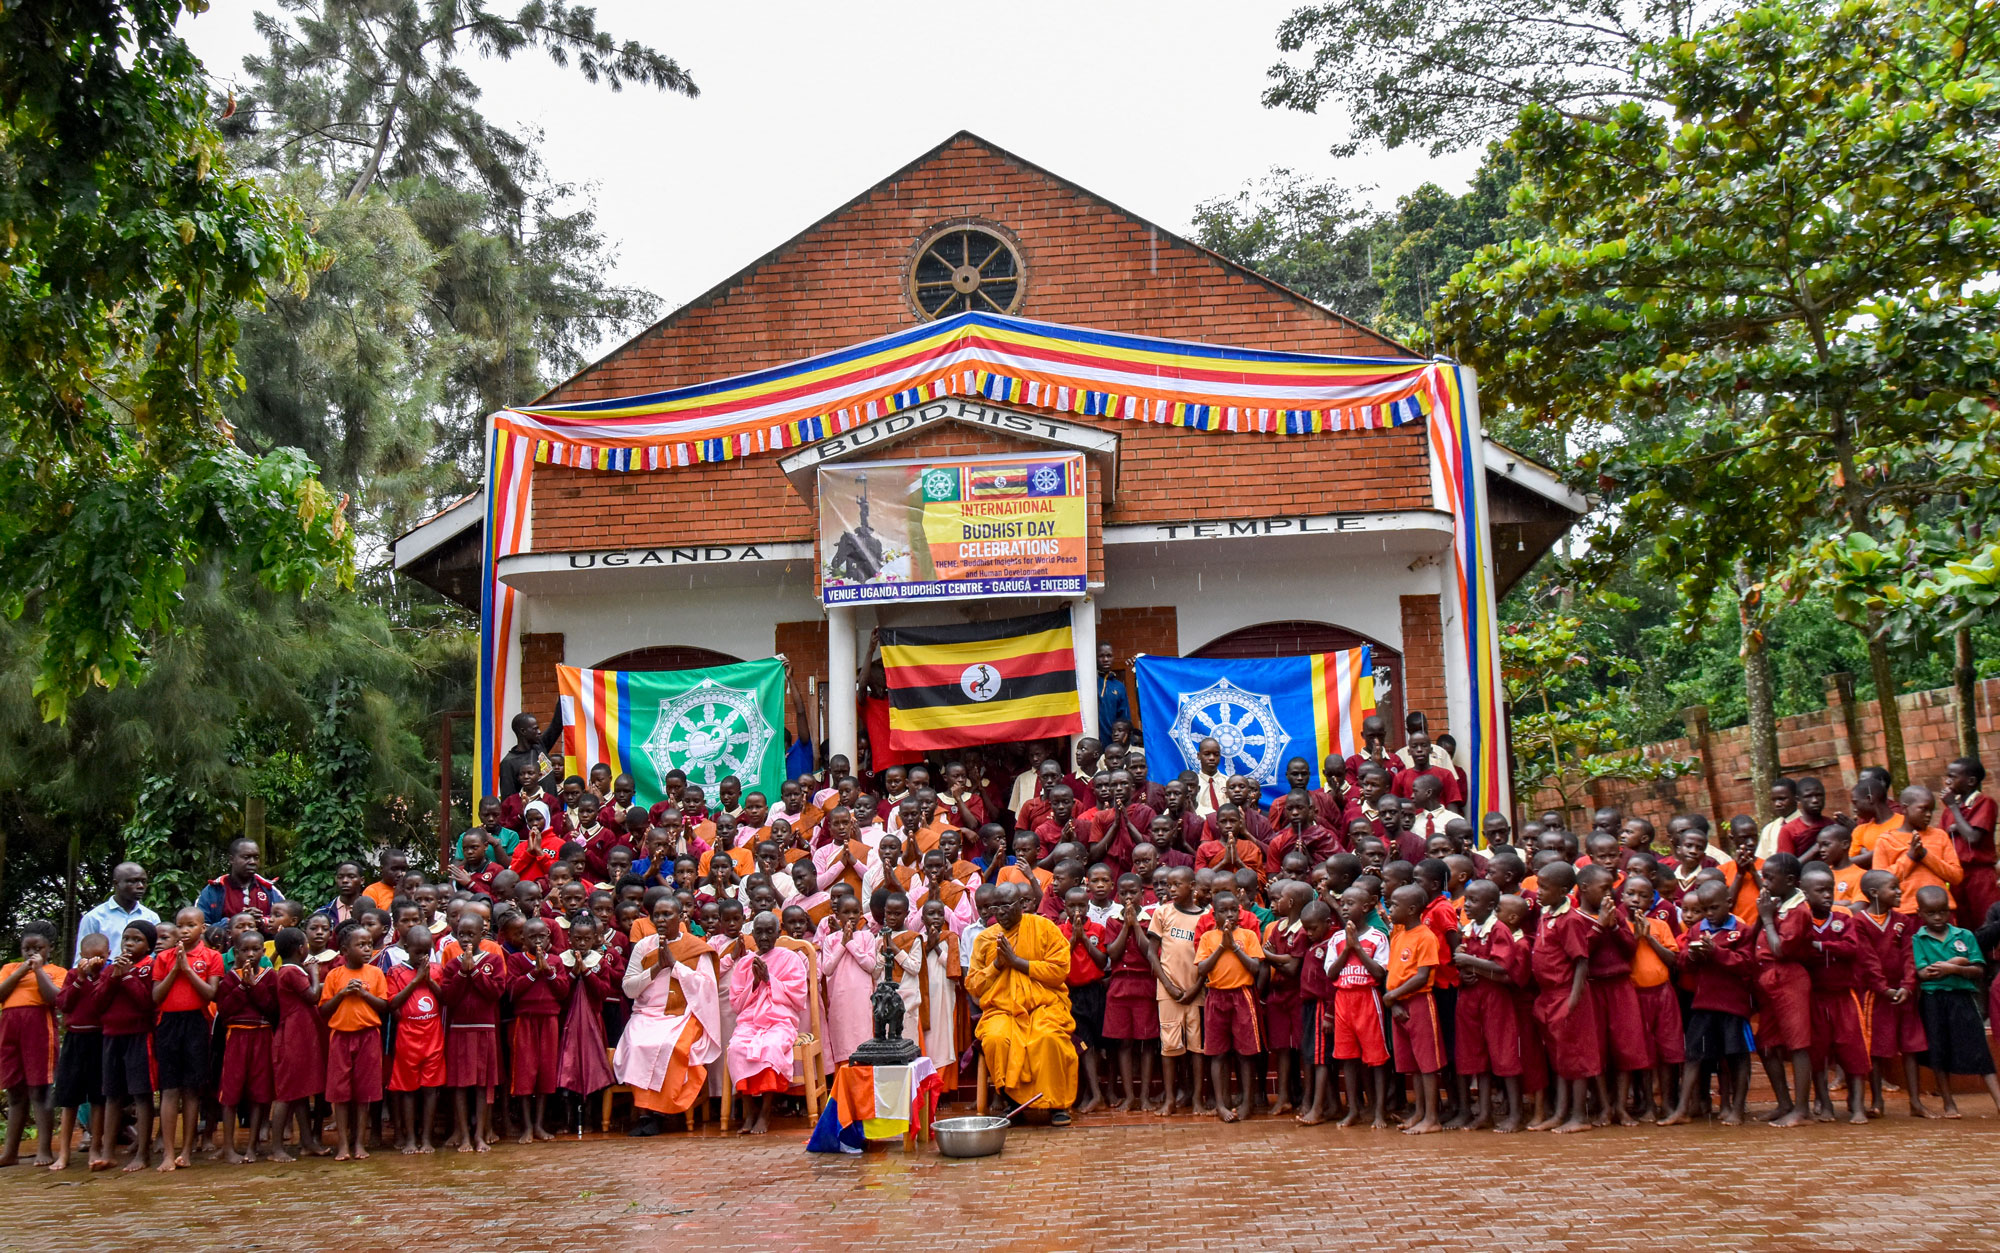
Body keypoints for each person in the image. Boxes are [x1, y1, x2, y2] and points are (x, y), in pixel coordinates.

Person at [965, 882, 1079, 1125]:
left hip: (1044, 1005)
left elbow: (1059, 970)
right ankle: (1014, 1102)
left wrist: (1018, 962)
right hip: (1002, 1009)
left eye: (1007, 905)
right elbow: (974, 984)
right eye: (997, 907)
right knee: (996, 1038)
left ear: (1022, 905)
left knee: (1048, 1038)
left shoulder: (1044, 928)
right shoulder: (986, 938)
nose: (1001, 911)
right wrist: (997, 965)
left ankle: (1057, 1105)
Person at [614, 895, 721, 1136]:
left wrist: (675, 965)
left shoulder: (695, 947)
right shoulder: (643, 946)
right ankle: (645, 1114)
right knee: (639, 1043)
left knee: (671, 1045)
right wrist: (656, 968)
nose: (661, 920)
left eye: (667, 915)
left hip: (682, 1015)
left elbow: (707, 988)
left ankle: (662, 1113)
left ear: (680, 917)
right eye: (656, 916)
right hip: (647, 1013)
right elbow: (629, 988)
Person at [1661, 880, 1757, 1126]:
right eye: (1705, 909)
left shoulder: (1742, 932)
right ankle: (1682, 1109)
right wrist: (1692, 956)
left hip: (1732, 1006)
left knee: (1736, 1057)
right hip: (1703, 1004)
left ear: (1728, 903)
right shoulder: (1696, 931)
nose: (1710, 915)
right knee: (1693, 1055)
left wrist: (1716, 953)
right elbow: (1683, 962)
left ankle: (1736, 1109)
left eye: (1714, 908)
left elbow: (1747, 965)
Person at [1910, 884, 2000, 1116]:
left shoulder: (1964, 935)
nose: (1938, 917)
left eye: (1943, 911)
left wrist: (1953, 968)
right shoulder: (1918, 939)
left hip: (1962, 998)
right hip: (1933, 1001)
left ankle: (1998, 1100)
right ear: (1920, 913)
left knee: (1979, 1047)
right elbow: (1922, 972)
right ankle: (1948, 1102)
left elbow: (1978, 968)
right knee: (1938, 1049)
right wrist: (1957, 963)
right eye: (1931, 913)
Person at [151, 904, 221, 1171]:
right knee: (169, 1089)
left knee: (192, 1089)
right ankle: (168, 1154)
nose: (184, 930)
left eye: (191, 925)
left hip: (196, 1023)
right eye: (180, 925)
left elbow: (210, 994)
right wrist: (175, 969)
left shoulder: (211, 956)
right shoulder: (164, 957)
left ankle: (186, 1151)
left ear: (202, 928)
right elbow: (157, 996)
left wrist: (188, 970)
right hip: (168, 1023)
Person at [1854, 870, 1929, 1117]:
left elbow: (1909, 954)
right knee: (1876, 1048)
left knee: (1910, 1046)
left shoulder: (1902, 921)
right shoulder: (1859, 922)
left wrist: (1908, 986)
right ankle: (1877, 1101)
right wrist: (1883, 988)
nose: (1899, 892)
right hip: (1877, 995)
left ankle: (1915, 1102)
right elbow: (1867, 959)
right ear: (1874, 893)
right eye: (1893, 887)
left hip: (1903, 993)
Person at [1448, 880, 1522, 1132]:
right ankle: (1484, 1113)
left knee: (1504, 1053)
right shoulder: (1469, 929)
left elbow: (1502, 966)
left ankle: (1515, 1114)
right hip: (1471, 997)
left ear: (1491, 905)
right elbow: (1464, 964)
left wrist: (1470, 961)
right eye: (1466, 899)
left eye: (1473, 901)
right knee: (1474, 1055)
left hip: (1494, 998)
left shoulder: (1499, 929)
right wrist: (1465, 971)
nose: (1467, 905)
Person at [727, 911, 808, 1135]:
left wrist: (769, 980)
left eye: (769, 932)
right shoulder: (744, 963)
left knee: (771, 1048)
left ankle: (765, 1111)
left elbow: (799, 996)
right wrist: (754, 982)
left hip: (779, 1021)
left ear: (778, 932)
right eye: (759, 932)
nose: (764, 937)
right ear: (752, 934)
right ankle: (749, 1109)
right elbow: (736, 1004)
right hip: (750, 1021)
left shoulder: (790, 959)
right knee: (736, 1049)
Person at [317, 920, 390, 1160]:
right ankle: (343, 1145)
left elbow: (384, 1006)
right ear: (345, 951)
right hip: (340, 1037)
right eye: (361, 945)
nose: (367, 949)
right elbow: (324, 1009)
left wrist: (363, 993)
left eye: (369, 944)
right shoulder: (335, 975)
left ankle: (360, 1143)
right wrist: (342, 993)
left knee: (365, 1092)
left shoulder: (376, 973)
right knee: (340, 1093)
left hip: (368, 1036)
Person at [1193, 889, 1263, 1124]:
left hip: (1242, 996)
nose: (1230, 915)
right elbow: (1202, 970)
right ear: (1214, 914)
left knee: (1245, 1053)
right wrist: (1222, 946)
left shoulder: (1248, 935)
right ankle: (1222, 1104)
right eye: (1224, 911)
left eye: (1234, 910)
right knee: (1218, 1053)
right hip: (1216, 996)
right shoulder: (1207, 938)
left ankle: (1246, 1102)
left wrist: (1233, 946)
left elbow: (1255, 967)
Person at [0, 921, 64, 1167]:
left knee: (40, 1088)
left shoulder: (57, 972)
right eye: (27, 948)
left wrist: (37, 971)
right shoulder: (9, 968)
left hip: (39, 1029)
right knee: (15, 1090)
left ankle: (44, 1149)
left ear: (49, 949)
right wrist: (21, 971)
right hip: (10, 1031)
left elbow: (54, 999)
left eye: (38, 948)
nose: (31, 953)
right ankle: (10, 1152)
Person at [1381, 884, 1444, 1134]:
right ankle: (1419, 1111)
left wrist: (1392, 995)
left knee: (1427, 1063)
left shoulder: (1425, 936)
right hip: (1398, 1003)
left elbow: (1422, 975)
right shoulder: (1398, 935)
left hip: (1418, 1001)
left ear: (1412, 909)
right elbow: (1393, 972)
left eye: (1396, 905)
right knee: (1413, 1063)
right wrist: (1394, 1001)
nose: (1391, 908)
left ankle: (1432, 1118)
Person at [440, 912, 506, 1151]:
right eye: (461, 935)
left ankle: (479, 1135)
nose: (466, 939)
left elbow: (495, 994)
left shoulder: (494, 960)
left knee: (482, 1084)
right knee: (459, 1085)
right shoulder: (452, 964)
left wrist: (475, 973)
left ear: (482, 935)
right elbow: (448, 998)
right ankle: (464, 1136)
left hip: (484, 1029)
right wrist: (462, 973)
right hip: (459, 1030)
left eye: (471, 934)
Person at [210, 930, 274, 1162]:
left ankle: (252, 1146)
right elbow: (225, 1011)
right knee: (231, 1091)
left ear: (263, 951)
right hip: (236, 1036)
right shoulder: (230, 978)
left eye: (255, 949)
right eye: (244, 950)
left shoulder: (269, 976)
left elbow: (271, 1008)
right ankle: (228, 1146)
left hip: (262, 1035)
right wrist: (241, 988)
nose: (250, 954)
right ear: (235, 953)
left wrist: (253, 986)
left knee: (259, 1092)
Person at [384, 925, 447, 1154]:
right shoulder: (396, 972)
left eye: (426, 952)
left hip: (433, 1038)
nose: (422, 957)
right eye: (417, 952)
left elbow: (444, 998)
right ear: (407, 948)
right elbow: (393, 1003)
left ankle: (427, 1138)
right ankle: (410, 1138)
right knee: (408, 1090)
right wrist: (416, 980)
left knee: (431, 1089)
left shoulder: (438, 970)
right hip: (407, 1039)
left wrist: (428, 979)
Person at [507, 918, 571, 1143]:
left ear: (548, 938)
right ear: (523, 939)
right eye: (532, 937)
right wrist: (535, 972)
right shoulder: (516, 960)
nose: (537, 941)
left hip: (549, 1020)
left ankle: (539, 1124)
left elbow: (563, 991)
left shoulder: (556, 961)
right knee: (525, 1073)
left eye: (542, 937)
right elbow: (512, 990)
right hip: (525, 1020)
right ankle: (526, 1127)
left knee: (545, 1073)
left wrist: (549, 972)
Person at [266, 926, 324, 1161]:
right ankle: (276, 1148)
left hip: (299, 1034)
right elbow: (312, 996)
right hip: (293, 1037)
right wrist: (315, 972)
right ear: (302, 949)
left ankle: (307, 1141)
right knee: (287, 1092)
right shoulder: (292, 972)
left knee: (300, 1092)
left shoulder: (288, 969)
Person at [1058, 887, 1110, 1114]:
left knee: (1097, 1045)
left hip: (1095, 992)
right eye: (1072, 906)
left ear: (1089, 907)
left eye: (1082, 906)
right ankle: (1094, 1094)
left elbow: (1101, 962)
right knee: (1083, 1043)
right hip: (1073, 994)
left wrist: (1084, 940)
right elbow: (1059, 963)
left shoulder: (1098, 929)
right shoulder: (1059, 931)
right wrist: (1072, 940)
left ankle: (1093, 1092)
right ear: (1065, 907)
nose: (1077, 911)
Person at [1873, 786, 1962, 911]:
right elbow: (1879, 883)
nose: (1928, 815)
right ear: (1904, 808)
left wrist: (1925, 855)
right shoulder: (1886, 840)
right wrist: (1910, 857)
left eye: (1931, 810)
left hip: (1941, 911)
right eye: (1923, 809)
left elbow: (1956, 876)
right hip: (1905, 911)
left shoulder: (1940, 835)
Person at [819, 895, 879, 1068]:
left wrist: (851, 943)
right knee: (843, 1042)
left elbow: (870, 965)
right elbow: (827, 969)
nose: (851, 916)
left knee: (863, 1039)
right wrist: (842, 944)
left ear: (861, 914)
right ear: (838, 916)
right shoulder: (830, 940)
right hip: (840, 999)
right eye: (846, 912)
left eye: (854, 912)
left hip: (862, 997)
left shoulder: (867, 937)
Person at [1939, 757, 1996, 928]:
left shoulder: (1984, 802)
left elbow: (1972, 837)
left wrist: (1954, 809)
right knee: (1964, 924)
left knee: (1986, 921)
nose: (1948, 781)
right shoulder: (1949, 809)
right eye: (1947, 776)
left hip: (1979, 875)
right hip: (1957, 875)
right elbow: (1942, 838)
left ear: (1971, 781)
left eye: (1953, 777)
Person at [196, 839, 287, 930]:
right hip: (222, 944)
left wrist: (261, 921)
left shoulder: (269, 889)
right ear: (232, 859)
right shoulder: (213, 890)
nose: (252, 862)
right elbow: (199, 929)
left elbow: (287, 924)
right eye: (246, 857)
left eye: (256, 857)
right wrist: (234, 922)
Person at [74, 862, 159, 959]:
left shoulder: (152, 917)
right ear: (116, 883)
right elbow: (81, 960)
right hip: (106, 973)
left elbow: (156, 956)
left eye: (143, 881)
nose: (140, 886)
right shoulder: (94, 918)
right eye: (132, 881)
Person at [1096, 642, 1130, 742]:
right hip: (1091, 742)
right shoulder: (1088, 682)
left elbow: (1124, 718)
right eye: (1101, 656)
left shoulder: (1119, 686)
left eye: (1109, 656)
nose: (1105, 659)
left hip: (1112, 744)